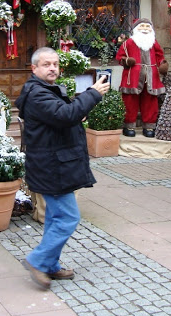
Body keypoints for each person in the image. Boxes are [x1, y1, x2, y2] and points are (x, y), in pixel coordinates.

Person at [15, 46, 110, 290]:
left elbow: (60, 118)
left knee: (55, 218)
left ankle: (50, 264)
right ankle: (38, 261)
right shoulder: (37, 93)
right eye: (46, 64)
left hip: (55, 163)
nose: (53, 68)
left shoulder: (45, 89)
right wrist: (93, 94)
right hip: (52, 167)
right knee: (68, 217)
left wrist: (76, 115)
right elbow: (65, 115)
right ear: (34, 68)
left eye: (55, 64)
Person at [116, 18, 168, 137]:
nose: (145, 29)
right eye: (142, 26)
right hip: (133, 77)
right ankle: (129, 126)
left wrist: (163, 64)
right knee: (130, 102)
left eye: (147, 26)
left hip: (151, 76)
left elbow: (160, 56)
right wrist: (126, 61)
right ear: (135, 29)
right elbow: (120, 56)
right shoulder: (128, 42)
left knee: (150, 102)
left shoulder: (154, 43)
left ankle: (149, 127)